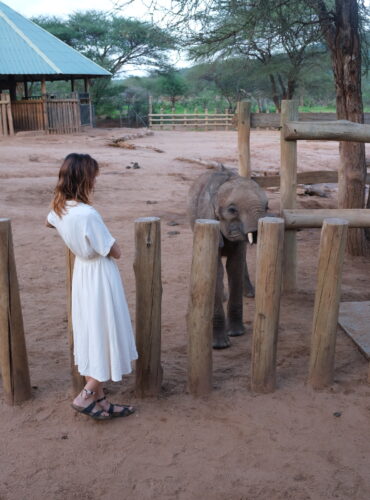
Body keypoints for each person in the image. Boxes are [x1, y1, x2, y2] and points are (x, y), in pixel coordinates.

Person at [46, 153, 138, 420]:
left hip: (82, 274)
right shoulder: (88, 214)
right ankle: (86, 395)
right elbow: (115, 251)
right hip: (99, 275)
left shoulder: (59, 209)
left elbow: (48, 222)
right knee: (109, 331)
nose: (96, 180)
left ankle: (102, 401)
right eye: (93, 175)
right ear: (85, 179)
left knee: (91, 332)